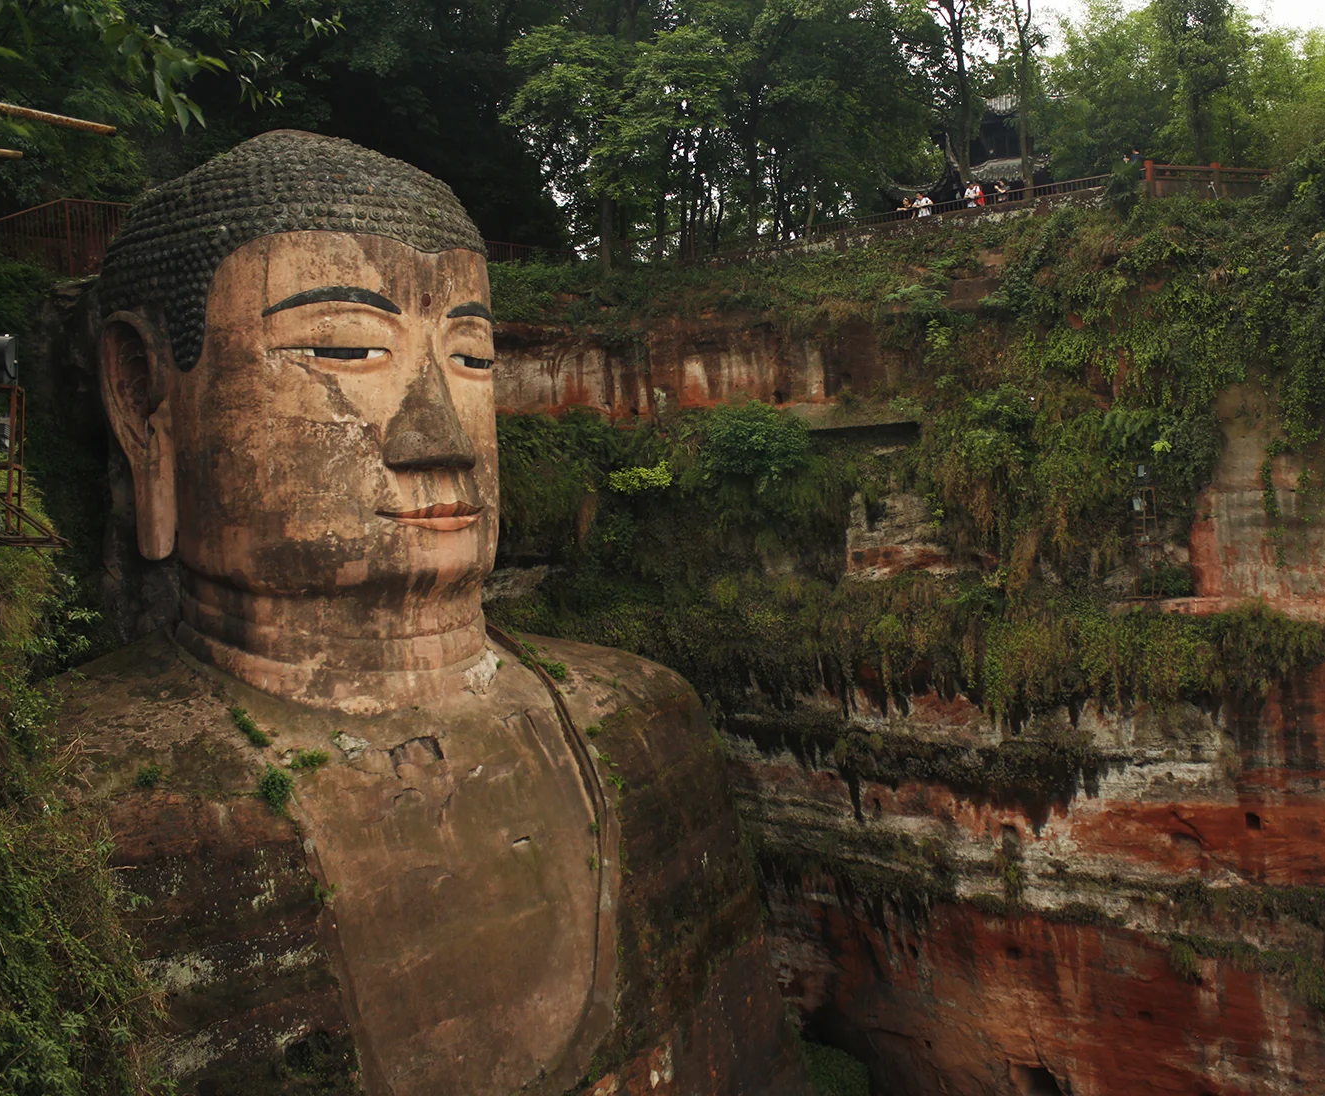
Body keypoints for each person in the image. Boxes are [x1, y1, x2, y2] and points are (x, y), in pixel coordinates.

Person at [70, 130, 806, 1096]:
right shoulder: (73, 821)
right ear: (142, 398)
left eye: (471, 356)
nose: (439, 435)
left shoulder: (642, 721)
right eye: (346, 348)